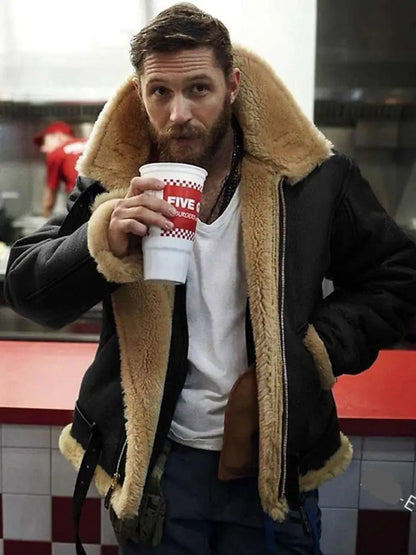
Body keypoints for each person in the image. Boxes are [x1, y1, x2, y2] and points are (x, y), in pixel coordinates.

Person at [4, 4, 416, 554]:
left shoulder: (309, 180)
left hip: (272, 462)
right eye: (160, 92)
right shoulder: (115, 182)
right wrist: (99, 242)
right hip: (157, 469)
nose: (178, 113)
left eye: (198, 89)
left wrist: (313, 350)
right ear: (140, 93)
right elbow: (25, 287)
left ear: (232, 85)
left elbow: (398, 277)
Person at [33, 120, 87, 217]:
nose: (43, 148)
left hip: (83, 204)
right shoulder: (91, 143)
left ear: (58, 137)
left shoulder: (56, 153)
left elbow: (50, 197)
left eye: (45, 142)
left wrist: (45, 217)